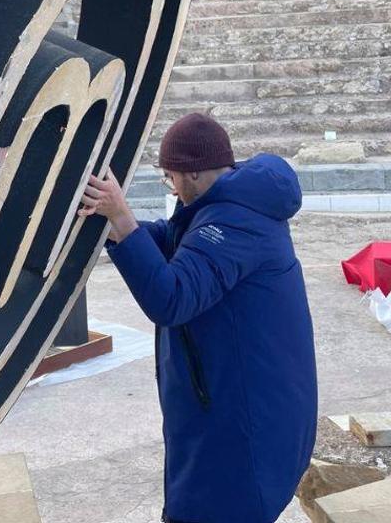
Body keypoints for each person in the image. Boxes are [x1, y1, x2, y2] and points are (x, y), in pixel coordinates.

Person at [80, 113, 317, 523]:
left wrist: (121, 219)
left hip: (244, 419)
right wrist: (122, 226)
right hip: (226, 404)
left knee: (215, 509)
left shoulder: (235, 223)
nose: (171, 187)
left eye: (169, 178)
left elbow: (173, 298)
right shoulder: (226, 208)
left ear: (189, 176)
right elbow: (176, 243)